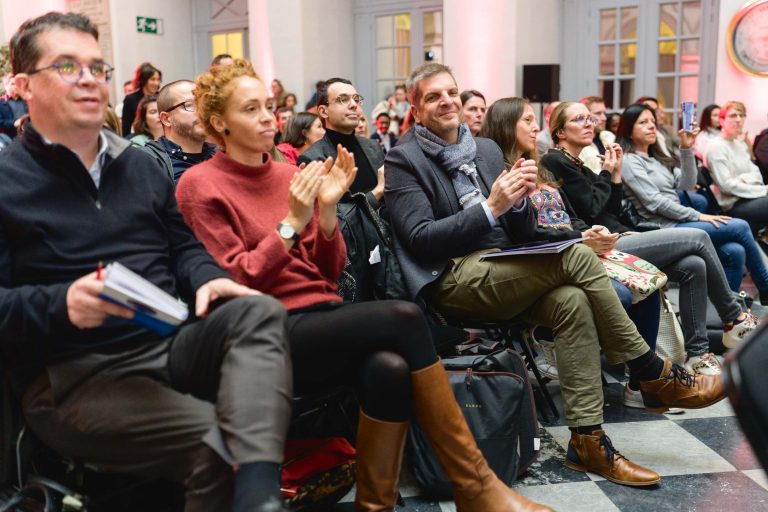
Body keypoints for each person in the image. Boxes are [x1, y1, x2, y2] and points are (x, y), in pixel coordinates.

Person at [175, 58, 553, 512]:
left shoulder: (285, 175)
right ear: (219, 122)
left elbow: (328, 271)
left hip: (319, 315)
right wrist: (291, 225)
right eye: (250, 109)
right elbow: (236, 280)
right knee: (405, 317)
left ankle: (376, 506)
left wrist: (329, 211)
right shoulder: (200, 185)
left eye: (268, 107)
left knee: (389, 368)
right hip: (259, 329)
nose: (266, 118)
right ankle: (475, 486)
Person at [1, 13, 293, 512]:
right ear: (23, 86)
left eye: (98, 67)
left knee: (257, 311)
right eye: (68, 67)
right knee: (216, 446)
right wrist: (62, 303)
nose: (90, 78)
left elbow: (183, 248)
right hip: (73, 376)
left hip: (166, 341)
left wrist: (209, 280)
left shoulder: (138, 165)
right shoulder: (9, 181)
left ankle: (260, 498)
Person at [385, 63, 726, 487]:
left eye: (451, 92)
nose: (447, 101)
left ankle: (587, 441)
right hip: (453, 279)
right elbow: (420, 240)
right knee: (579, 257)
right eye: (433, 96)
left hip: (507, 264)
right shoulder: (404, 159)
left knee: (574, 301)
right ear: (416, 109)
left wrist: (522, 200)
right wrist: (491, 207)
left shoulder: (487, 150)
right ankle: (652, 371)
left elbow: (522, 230)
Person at [539, 101, 758, 381]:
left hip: (619, 235)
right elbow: (592, 210)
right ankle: (734, 318)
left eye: (588, 118)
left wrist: (614, 175)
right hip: (602, 246)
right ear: (559, 132)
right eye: (579, 119)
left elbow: (611, 209)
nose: (589, 123)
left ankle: (698, 355)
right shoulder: (556, 160)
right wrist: (607, 173)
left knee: (693, 265)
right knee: (702, 236)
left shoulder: (577, 163)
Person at [481, 97, 663, 381]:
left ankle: (640, 386)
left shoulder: (538, 166)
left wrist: (589, 230)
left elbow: (571, 213)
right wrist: (579, 236)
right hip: (546, 257)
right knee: (623, 293)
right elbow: (522, 232)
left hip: (574, 245)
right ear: (506, 126)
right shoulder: (499, 173)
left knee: (647, 285)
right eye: (527, 120)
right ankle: (643, 376)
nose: (536, 128)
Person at [619, 102, 768, 302]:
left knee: (735, 250)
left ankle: (726, 315)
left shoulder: (656, 159)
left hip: (677, 221)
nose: (652, 126)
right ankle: (766, 288)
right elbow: (654, 202)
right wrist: (697, 215)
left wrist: (686, 149)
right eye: (643, 122)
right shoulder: (629, 160)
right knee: (739, 226)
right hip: (660, 227)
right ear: (628, 130)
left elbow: (687, 183)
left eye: (653, 121)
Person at [297, 78, 385, 207]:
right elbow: (335, 217)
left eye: (356, 99)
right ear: (323, 111)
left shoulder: (373, 146)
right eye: (343, 99)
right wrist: (377, 193)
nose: (354, 105)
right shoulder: (313, 159)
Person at [705, 101, 768, 237]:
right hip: (733, 204)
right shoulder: (715, 147)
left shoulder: (739, 144)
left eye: (742, 115)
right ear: (722, 120)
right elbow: (727, 186)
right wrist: (762, 190)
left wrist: (741, 180)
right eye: (733, 115)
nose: (739, 120)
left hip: (750, 197)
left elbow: (756, 174)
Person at [143, 80, 217, 183]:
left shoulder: (220, 156)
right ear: (166, 119)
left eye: (203, 104)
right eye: (190, 105)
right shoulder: (149, 162)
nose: (202, 112)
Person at [121, 62, 161, 136]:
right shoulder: (130, 99)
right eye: (153, 79)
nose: (157, 83)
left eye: (158, 79)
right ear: (144, 81)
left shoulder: (162, 97)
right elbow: (126, 127)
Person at [577, 96, 608, 172]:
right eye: (598, 113)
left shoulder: (608, 136)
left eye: (604, 113)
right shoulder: (577, 145)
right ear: (584, 116)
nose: (604, 118)